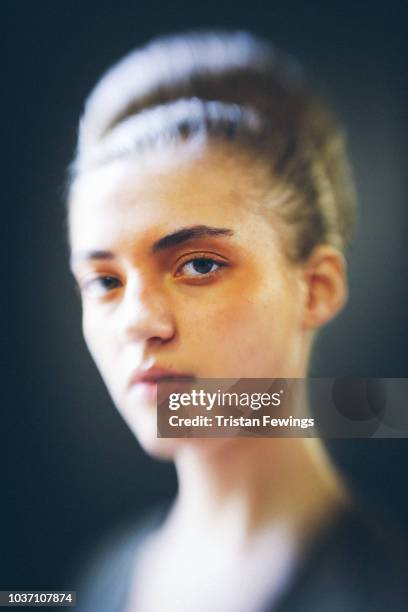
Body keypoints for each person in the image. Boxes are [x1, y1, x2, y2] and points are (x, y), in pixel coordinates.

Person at [68, 30, 408, 611]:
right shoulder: (100, 581)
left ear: (317, 288)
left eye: (198, 264)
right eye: (106, 282)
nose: (137, 322)